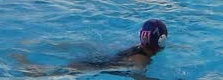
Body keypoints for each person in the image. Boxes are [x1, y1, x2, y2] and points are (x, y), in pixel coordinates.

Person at [15, 19, 168, 76]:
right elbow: (138, 76)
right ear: (161, 41)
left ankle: (23, 60)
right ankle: (23, 64)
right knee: (43, 76)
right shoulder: (142, 60)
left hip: (97, 61)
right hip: (90, 68)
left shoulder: (138, 48)